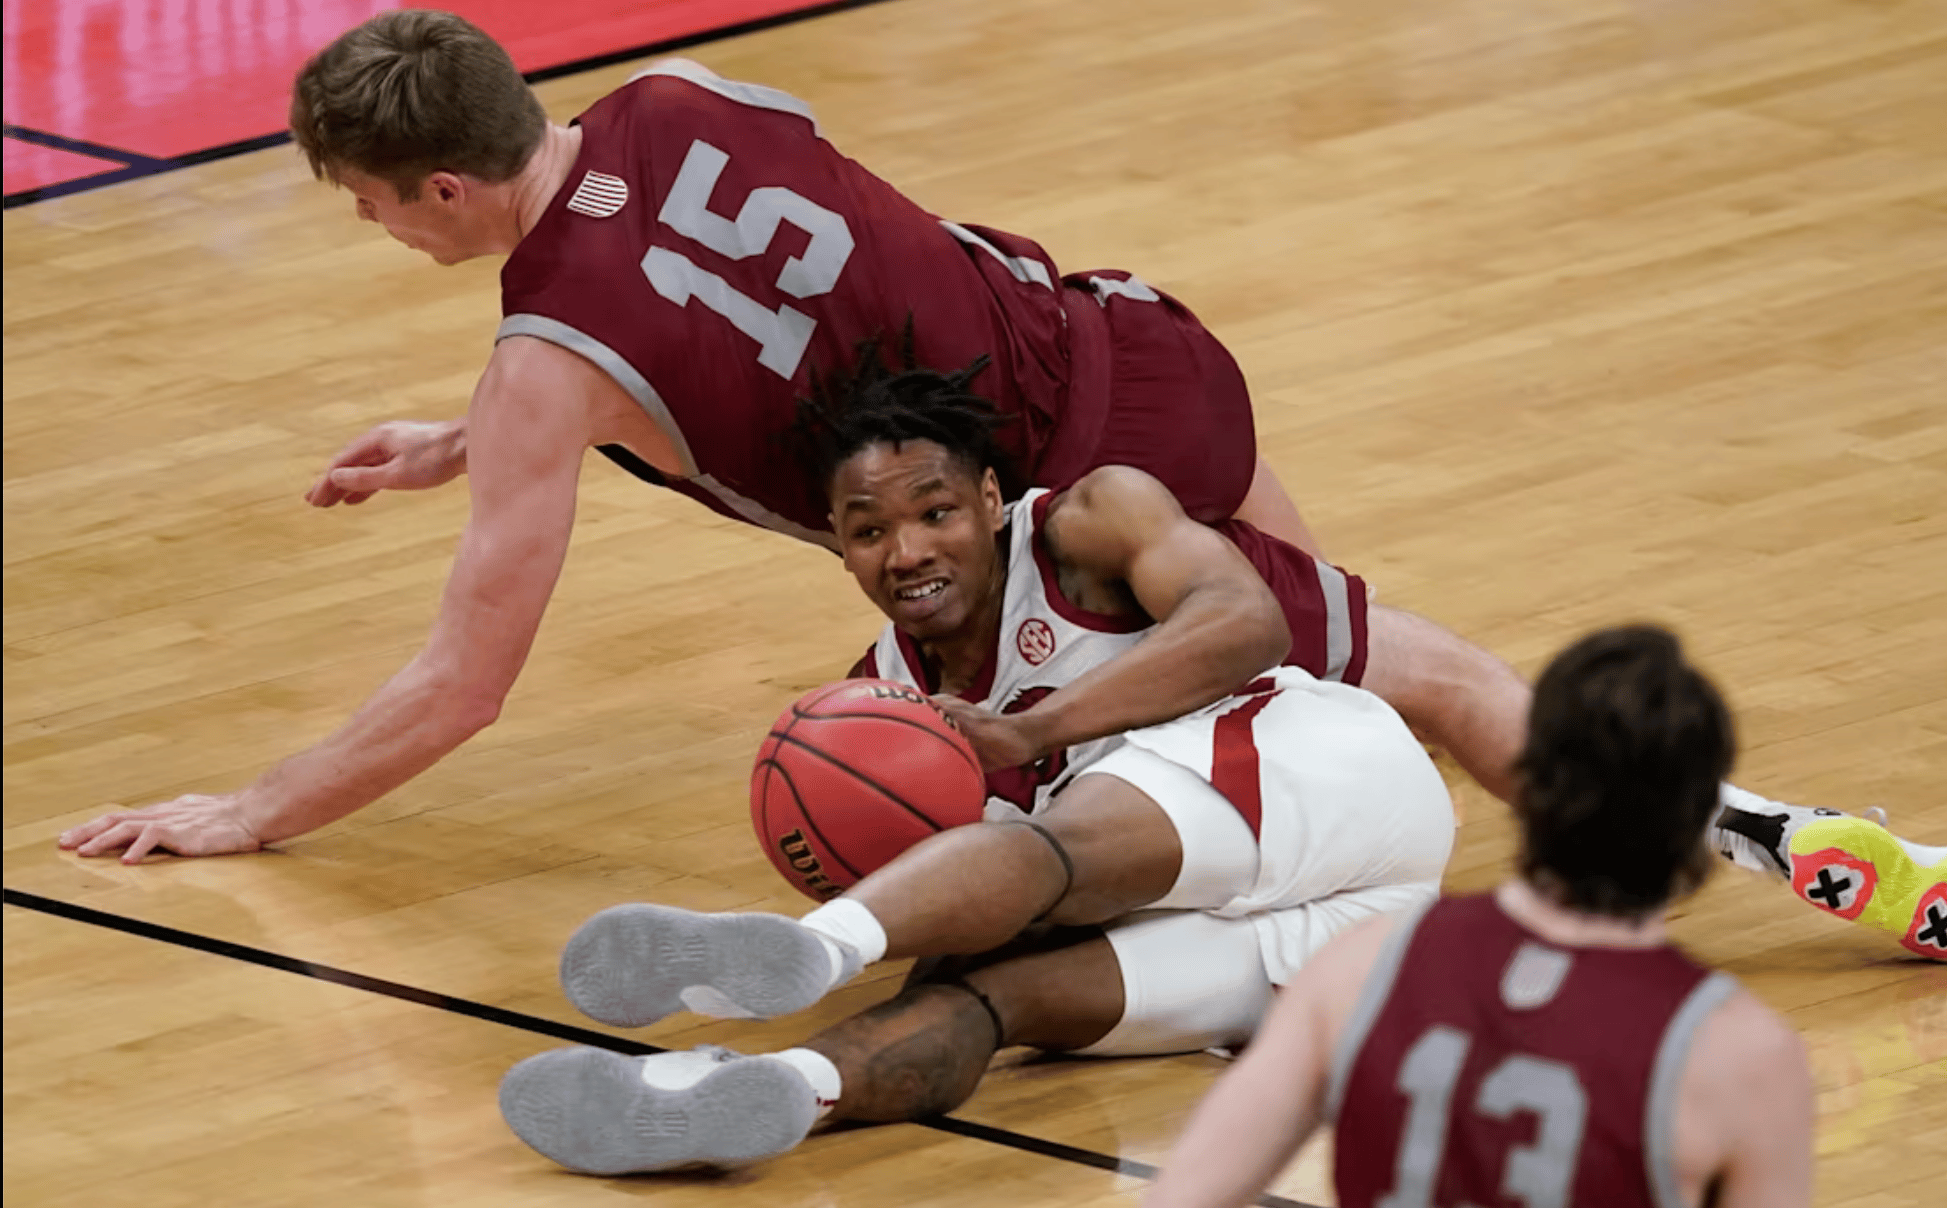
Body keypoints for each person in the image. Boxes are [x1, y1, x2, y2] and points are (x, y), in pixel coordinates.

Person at [57, 13, 1947, 969]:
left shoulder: (542, 360)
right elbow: (765, 288)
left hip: (1030, 525)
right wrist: (473, 438)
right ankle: (1725, 826)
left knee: (1016, 811)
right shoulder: (690, 101)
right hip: (1145, 346)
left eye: (373, 211)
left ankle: (1354, 967)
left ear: (439, 189)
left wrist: (250, 808)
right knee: (1350, 661)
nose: (382, 236)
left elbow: (462, 684)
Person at [495, 338, 1462, 1175]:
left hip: (1330, 776)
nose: (907, 550)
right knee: (988, 1000)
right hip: (1350, 942)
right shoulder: (882, 710)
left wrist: (1034, 733)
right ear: (838, 546)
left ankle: (820, 947)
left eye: (935, 512)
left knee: (1059, 854)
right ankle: (772, 1092)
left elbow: (1246, 620)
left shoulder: (1088, 524)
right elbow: (981, 921)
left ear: (993, 499)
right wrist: (896, 992)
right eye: (869, 530)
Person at [1144, 625, 1816, 1208]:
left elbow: (1185, 1194)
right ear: (1691, 835)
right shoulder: (1742, 1055)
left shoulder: (1361, 967)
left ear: (1530, 781)